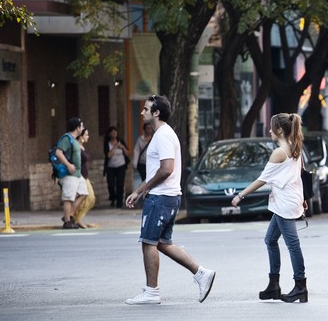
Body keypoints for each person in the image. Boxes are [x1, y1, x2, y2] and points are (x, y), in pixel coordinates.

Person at [124, 95, 216, 305]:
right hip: (166, 196)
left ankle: (151, 292)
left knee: (148, 243)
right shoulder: (162, 134)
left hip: (161, 197)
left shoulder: (163, 135)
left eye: (146, 109)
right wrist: (138, 191)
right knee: (163, 244)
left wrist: (146, 189)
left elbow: (166, 169)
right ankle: (201, 273)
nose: (142, 112)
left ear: (156, 113)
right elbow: (159, 170)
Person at [231, 113, 309, 303]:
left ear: (280, 130)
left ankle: (300, 286)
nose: (269, 130)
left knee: (292, 245)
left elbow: (262, 179)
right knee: (270, 240)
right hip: (289, 199)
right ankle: (273, 285)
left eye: (272, 127)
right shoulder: (295, 146)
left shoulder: (279, 152)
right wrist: (304, 197)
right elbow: (300, 174)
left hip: (284, 202)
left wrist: (240, 195)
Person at [55, 117, 87, 229]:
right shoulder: (66, 138)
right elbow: (58, 152)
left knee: (84, 193)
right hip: (69, 174)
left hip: (77, 174)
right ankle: (67, 221)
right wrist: (68, 165)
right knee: (68, 198)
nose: (82, 128)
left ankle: (69, 215)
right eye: (81, 126)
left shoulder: (75, 139)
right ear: (77, 127)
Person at [72, 128, 96, 229]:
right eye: (86, 135)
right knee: (87, 198)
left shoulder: (81, 146)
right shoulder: (76, 146)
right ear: (81, 136)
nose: (88, 137)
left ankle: (77, 218)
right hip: (80, 176)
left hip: (85, 177)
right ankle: (74, 218)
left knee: (90, 199)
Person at [104, 126, 130, 208]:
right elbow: (108, 155)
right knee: (111, 184)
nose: (114, 133)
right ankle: (113, 198)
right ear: (109, 134)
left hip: (121, 165)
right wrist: (115, 147)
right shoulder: (107, 143)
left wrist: (122, 147)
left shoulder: (121, 141)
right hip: (110, 167)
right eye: (112, 132)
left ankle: (119, 202)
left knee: (120, 184)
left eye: (115, 132)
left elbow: (128, 153)